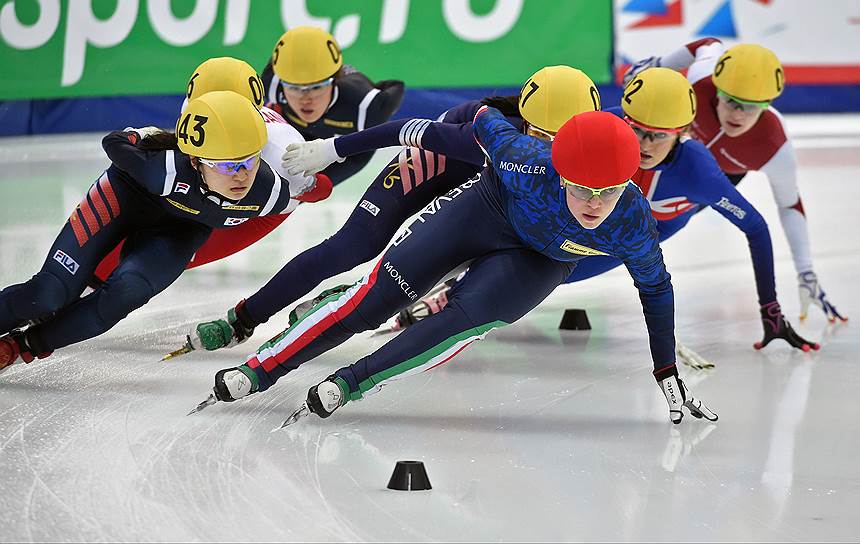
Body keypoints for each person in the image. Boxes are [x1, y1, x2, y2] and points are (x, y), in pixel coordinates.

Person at [193, 109, 718, 427]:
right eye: (581, 187)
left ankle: (353, 381)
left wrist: (665, 368)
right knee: (375, 300)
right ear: (559, 168)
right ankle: (262, 369)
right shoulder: (520, 154)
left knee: (458, 320)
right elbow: (422, 131)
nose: (592, 204)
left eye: (606, 192)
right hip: (484, 213)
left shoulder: (632, 223)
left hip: (539, 261)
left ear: (628, 183)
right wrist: (333, 148)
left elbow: (657, 290)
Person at [390, 68, 819, 357]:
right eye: (635, 129)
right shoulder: (603, 132)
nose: (644, 145)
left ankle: (444, 306)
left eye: (658, 136)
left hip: (611, 243)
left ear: (683, 133)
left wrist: (771, 310)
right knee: (493, 231)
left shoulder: (700, 173)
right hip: (572, 214)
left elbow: (756, 227)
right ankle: (426, 286)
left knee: (527, 278)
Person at [177, 66, 601, 355]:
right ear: (522, 122)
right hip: (437, 162)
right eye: (539, 134)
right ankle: (245, 317)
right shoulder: (492, 129)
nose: (546, 147)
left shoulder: (588, 147)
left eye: (560, 138)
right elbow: (405, 130)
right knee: (351, 246)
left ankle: (348, 297)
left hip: (489, 191)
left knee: (459, 255)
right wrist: (330, 149)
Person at [0, 91, 317, 370]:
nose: (240, 176)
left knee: (124, 296)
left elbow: (319, 190)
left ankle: (22, 347)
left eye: (248, 161)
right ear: (195, 162)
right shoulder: (161, 169)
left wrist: (317, 164)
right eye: (225, 165)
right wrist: (142, 136)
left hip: (181, 229)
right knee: (49, 292)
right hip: (126, 197)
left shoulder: (268, 193)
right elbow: (113, 142)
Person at [624, 40, 845, 323]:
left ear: (767, 105)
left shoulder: (773, 147)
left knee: (646, 227)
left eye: (750, 107)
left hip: (713, 174)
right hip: (670, 150)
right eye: (730, 101)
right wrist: (659, 66)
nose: (737, 114)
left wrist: (806, 272)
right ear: (717, 88)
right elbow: (707, 44)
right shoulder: (701, 78)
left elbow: (790, 205)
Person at [90, 56, 333, 286]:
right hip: (214, 175)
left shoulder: (281, 150)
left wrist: (307, 184)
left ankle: (92, 287)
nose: (217, 116)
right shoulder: (194, 109)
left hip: (260, 207)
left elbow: (323, 190)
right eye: (210, 108)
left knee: (168, 255)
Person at [261, 26, 405, 184]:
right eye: (294, 88)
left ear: (335, 82)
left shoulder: (365, 105)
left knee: (312, 188)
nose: (305, 99)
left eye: (316, 87)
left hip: (348, 146)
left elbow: (397, 86)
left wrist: (335, 149)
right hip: (296, 127)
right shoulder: (272, 83)